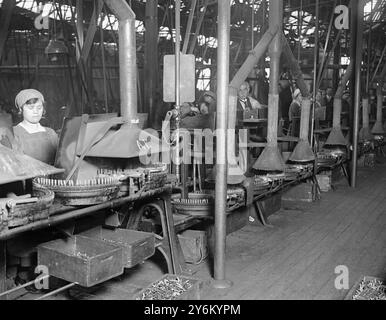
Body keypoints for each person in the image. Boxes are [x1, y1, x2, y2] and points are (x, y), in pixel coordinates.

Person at [13, 89, 58, 165]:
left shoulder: (51, 133)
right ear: (21, 109)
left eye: (39, 107)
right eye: (31, 108)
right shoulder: (14, 134)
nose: (36, 111)